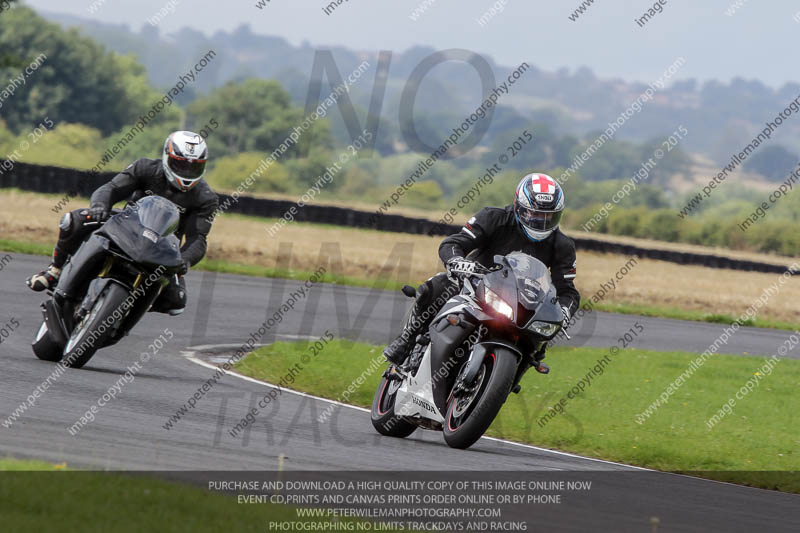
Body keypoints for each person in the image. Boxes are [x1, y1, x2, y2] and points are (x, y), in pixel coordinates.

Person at [383, 172, 580, 371]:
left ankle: (506, 380)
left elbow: (568, 291)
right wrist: (457, 262)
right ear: (518, 207)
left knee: (539, 342)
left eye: (549, 216)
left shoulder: (562, 245)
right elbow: (454, 243)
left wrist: (564, 311)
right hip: (475, 284)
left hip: (522, 302)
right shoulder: (493, 217)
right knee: (437, 286)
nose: (542, 222)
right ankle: (406, 340)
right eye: (535, 214)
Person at [27, 131, 219, 315]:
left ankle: (127, 309)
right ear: (167, 157)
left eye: (194, 167)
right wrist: (100, 206)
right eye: (181, 165)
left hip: (163, 247)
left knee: (176, 301)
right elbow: (111, 189)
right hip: (127, 224)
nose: (187, 171)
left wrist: (185, 259)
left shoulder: (205, 198)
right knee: (74, 221)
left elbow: (198, 238)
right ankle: (55, 270)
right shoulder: (145, 168)